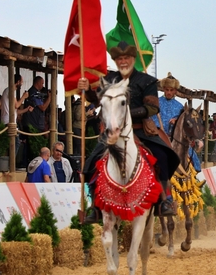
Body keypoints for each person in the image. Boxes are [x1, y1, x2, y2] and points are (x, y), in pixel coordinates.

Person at [77, 41, 180, 224]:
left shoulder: (147, 81)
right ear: (116, 61)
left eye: (126, 58)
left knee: (163, 156)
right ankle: (95, 206)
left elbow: (152, 107)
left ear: (133, 59)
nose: (123, 61)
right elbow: (97, 100)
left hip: (140, 131)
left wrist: (126, 114)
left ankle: (165, 200)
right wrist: (86, 90)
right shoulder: (109, 79)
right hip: (113, 133)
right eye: (119, 58)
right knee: (91, 163)